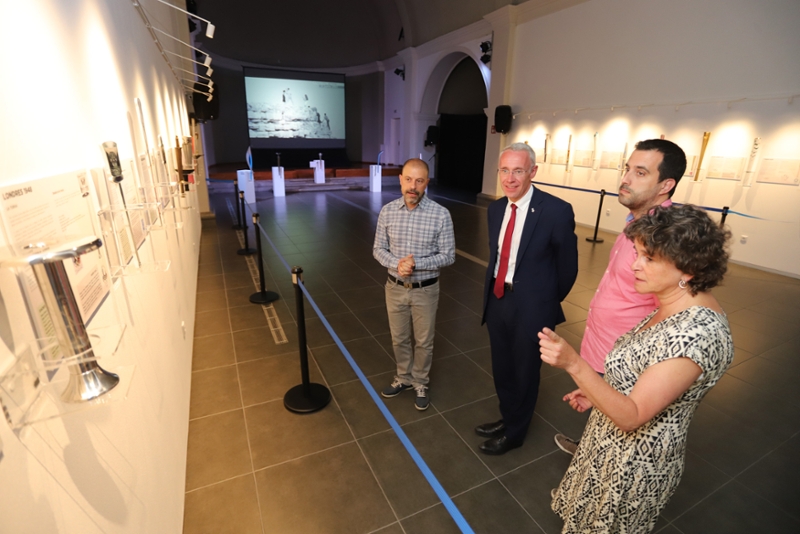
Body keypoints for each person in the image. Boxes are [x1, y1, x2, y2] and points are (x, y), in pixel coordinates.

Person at [539, 204, 733, 533]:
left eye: (649, 258)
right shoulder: (670, 304)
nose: (635, 265)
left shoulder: (696, 334)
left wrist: (575, 365)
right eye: (638, 253)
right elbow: (642, 374)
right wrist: (597, 392)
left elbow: (631, 416)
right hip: (607, 443)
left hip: (631, 465)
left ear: (689, 269)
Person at [554, 138, 687, 455]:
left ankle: (596, 461)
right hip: (604, 348)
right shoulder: (637, 222)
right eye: (627, 169)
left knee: (618, 432)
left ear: (666, 185)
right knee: (602, 418)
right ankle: (590, 450)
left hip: (625, 356)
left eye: (640, 172)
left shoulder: (665, 238)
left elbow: (672, 310)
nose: (625, 179)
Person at [475, 143, 579, 455]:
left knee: (525, 370)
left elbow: (567, 268)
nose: (510, 178)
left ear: (532, 172)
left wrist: (543, 302)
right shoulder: (495, 209)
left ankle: (516, 432)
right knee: (503, 366)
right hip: (497, 300)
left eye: (518, 171)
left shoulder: (556, 211)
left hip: (532, 308)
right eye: (504, 170)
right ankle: (508, 417)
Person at [373, 158, 455, 410]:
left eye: (419, 181)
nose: (413, 186)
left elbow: (448, 255)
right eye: (408, 179)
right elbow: (378, 249)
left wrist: (416, 263)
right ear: (400, 180)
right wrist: (398, 263)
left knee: (424, 340)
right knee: (399, 339)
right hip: (394, 287)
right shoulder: (387, 211)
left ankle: (420, 380)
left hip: (425, 290)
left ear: (426, 183)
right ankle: (403, 377)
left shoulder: (441, 214)